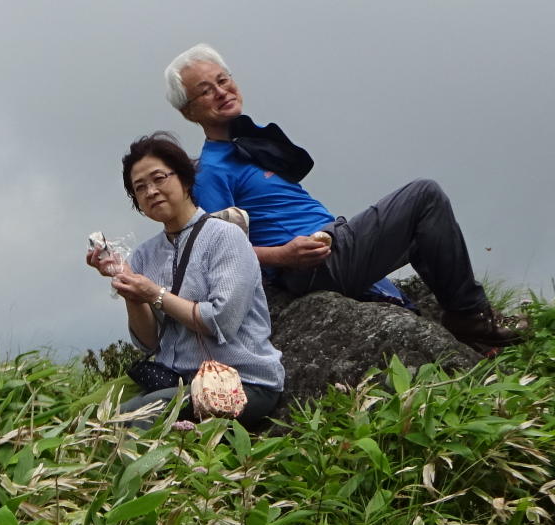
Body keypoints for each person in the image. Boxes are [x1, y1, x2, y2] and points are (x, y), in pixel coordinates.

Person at [165, 43, 526, 353]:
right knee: (424, 196)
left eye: (223, 80)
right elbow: (217, 252)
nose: (221, 91)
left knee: (422, 228)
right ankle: (470, 315)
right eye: (205, 90)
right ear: (189, 111)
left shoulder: (250, 149)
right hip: (311, 264)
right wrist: (284, 256)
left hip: (330, 245)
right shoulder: (211, 171)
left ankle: (465, 318)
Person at [92, 133, 284, 426]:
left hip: (244, 383)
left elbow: (221, 320)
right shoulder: (145, 254)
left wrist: (155, 293)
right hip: (183, 385)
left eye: (159, 178)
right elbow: (149, 342)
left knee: (139, 418)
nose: (151, 191)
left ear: (184, 178)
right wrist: (129, 287)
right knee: (104, 422)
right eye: (139, 188)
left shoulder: (225, 237)